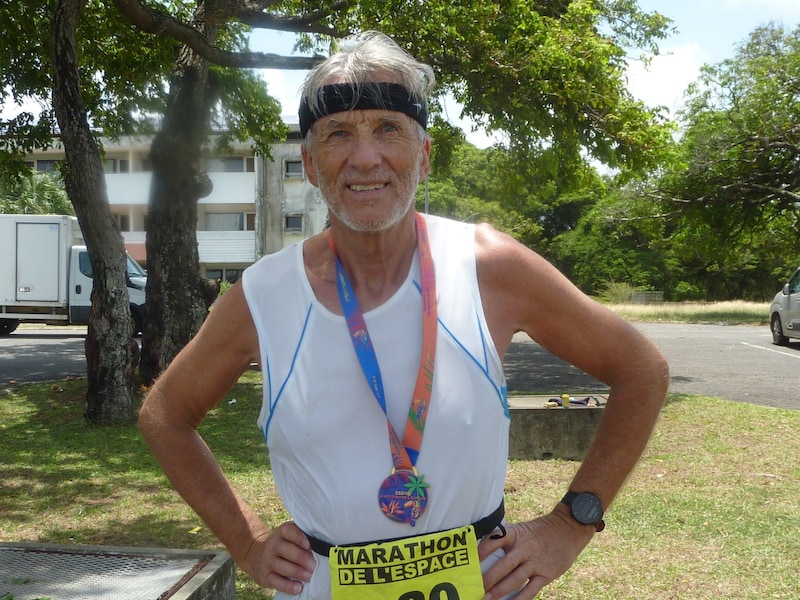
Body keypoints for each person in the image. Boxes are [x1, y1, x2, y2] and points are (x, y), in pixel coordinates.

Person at [139, 31, 669, 600]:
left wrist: (571, 524)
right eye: (339, 134)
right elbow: (165, 415)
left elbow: (641, 369)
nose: (365, 157)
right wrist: (247, 542)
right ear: (311, 165)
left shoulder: (489, 266)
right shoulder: (265, 294)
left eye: (388, 129)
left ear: (423, 155)